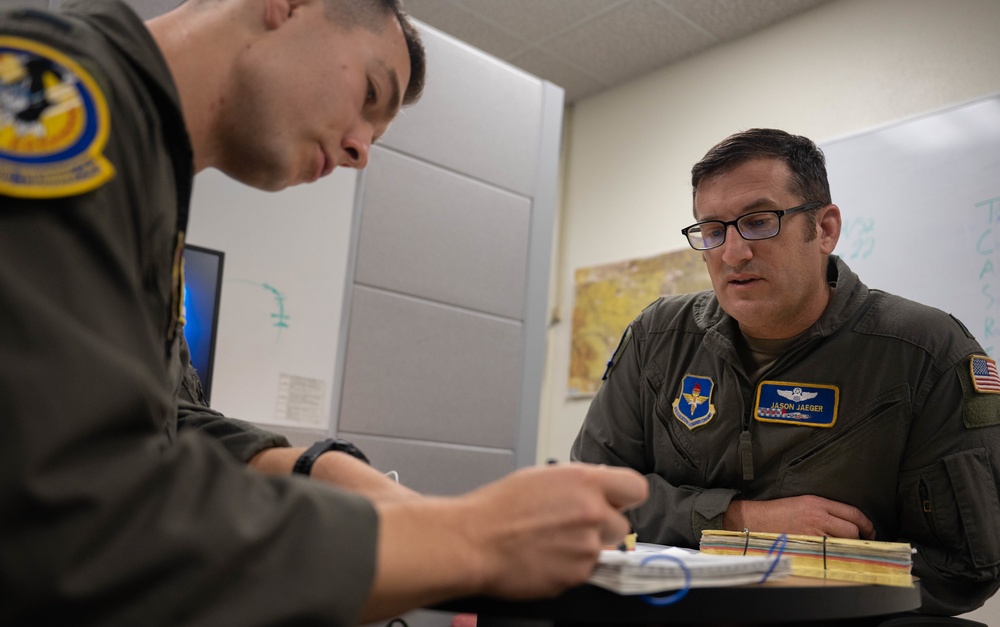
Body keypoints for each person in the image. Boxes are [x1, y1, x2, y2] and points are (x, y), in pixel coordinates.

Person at [0, 1, 649, 625]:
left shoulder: (147, 186)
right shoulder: (56, 82)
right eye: (370, 93)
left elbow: (171, 421)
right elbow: (68, 512)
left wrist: (327, 469)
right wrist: (471, 536)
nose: (362, 150)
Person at [571, 128, 1000, 616]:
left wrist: (802, 565)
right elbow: (588, 498)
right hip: (670, 610)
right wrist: (739, 521)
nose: (732, 253)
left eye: (758, 221)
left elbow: (965, 567)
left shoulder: (926, 351)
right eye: (712, 230)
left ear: (824, 229)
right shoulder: (657, 338)